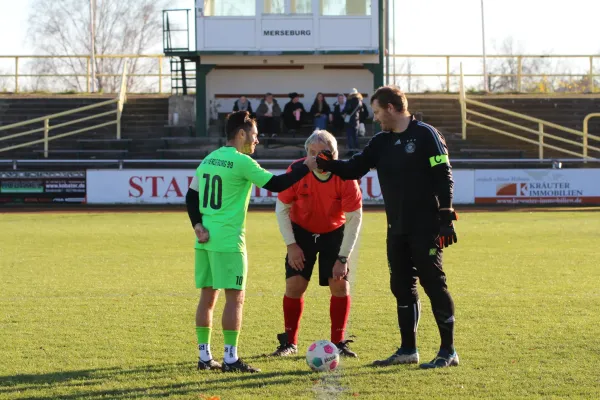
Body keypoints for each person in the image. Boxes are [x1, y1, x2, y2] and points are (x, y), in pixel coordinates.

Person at [314, 85, 459, 369]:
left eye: (378, 111)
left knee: (434, 284)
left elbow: (444, 176)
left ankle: (448, 350)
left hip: (426, 226)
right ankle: (408, 350)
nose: (376, 117)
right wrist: (327, 164)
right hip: (397, 227)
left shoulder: (426, 135)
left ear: (391, 108)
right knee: (401, 286)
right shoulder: (381, 142)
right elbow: (355, 167)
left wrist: (446, 218)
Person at [185, 110, 318, 373]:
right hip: (228, 242)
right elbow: (278, 184)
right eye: (255, 136)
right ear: (242, 133)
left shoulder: (209, 159)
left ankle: (204, 357)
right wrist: (307, 165)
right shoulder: (241, 161)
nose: (257, 141)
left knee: (207, 297)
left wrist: (197, 225)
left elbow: (191, 196)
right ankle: (231, 359)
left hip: (206, 240)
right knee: (235, 298)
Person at [270, 130, 363, 358]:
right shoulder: (297, 170)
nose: (317, 158)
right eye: (312, 153)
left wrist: (342, 258)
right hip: (301, 233)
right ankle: (289, 343)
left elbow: (354, 219)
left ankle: (338, 343)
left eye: (323, 154)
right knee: (294, 286)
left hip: (334, 232)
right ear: (306, 155)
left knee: (340, 285)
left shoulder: (346, 176)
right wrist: (292, 245)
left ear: (334, 155)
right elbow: (281, 208)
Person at [342, 89, 363, 156]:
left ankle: (351, 151)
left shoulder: (349, 100)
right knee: (355, 136)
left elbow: (347, 109)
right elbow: (362, 111)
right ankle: (357, 151)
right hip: (356, 120)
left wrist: (344, 113)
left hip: (349, 120)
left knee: (349, 136)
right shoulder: (360, 101)